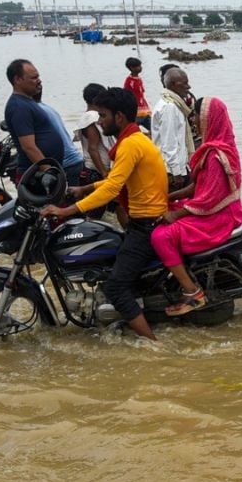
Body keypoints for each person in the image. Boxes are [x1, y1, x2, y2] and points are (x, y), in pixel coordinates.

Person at [41, 87, 168, 340]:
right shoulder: (135, 139)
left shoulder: (130, 145)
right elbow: (117, 179)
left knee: (116, 287)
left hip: (145, 226)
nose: (99, 122)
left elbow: (112, 187)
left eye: (103, 116)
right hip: (145, 220)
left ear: (118, 117)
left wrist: (66, 210)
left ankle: (153, 345)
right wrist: (84, 188)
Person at [151, 97, 242, 316]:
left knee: (160, 236)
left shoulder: (215, 155)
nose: (192, 120)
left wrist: (175, 214)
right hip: (217, 209)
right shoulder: (218, 147)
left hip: (218, 216)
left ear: (207, 118)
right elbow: (197, 188)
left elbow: (209, 200)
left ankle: (192, 291)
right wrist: (168, 197)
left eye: (195, 115)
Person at [3, 59, 84, 184]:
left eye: (38, 76)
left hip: (54, 169)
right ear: (18, 80)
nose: (39, 80)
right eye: (33, 78)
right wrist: (49, 171)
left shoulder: (29, 102)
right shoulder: (19, 107)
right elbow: (28, 147)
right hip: (38, 176)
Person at [151, 67, 195, 190]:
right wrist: (176, 173)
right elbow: (169, 143)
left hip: (177, 167)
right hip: (170, 170)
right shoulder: (169, 107)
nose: (189, 86)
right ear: (172, 84)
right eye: (184, 83)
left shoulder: (174, 104)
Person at [73, 83, 113, 184]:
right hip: (97, 170)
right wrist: (104, 173)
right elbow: (92, 148)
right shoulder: (92, 118)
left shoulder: (88, 117)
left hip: (94, 168)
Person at [124, 57, 152, 129]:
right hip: (136, 111)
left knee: (153, 128)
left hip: (144, 109)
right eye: (138, 66)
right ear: (132, 68)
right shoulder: (129, 81)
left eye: (140, 66)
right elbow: (126, 95)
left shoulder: (139, 79)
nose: (140, 68)